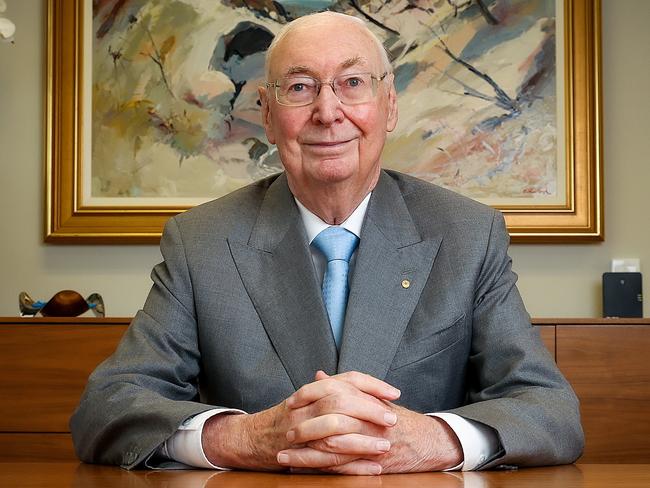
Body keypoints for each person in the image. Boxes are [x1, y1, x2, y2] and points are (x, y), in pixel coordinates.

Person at [70, 12, 583, 475]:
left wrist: (434, 440)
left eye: (352, 83)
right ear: (268, 117)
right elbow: (108, 406)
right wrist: (247, 438)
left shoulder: (468, 235)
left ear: (389, 107)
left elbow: (549, 410)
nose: (328, 111)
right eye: (299, 88)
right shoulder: (200, 243)